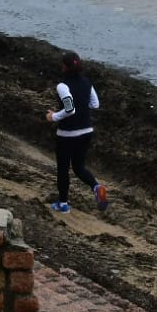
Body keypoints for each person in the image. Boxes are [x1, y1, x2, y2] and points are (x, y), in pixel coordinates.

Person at [45, 51, 108, 214]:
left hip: (67, 134)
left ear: (64, 66)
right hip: (86, 131)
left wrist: (53, 116)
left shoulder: (62, 86)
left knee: (63, 169)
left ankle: (63, 204)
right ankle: (97, 187)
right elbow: (95, 104)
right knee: (79, 167)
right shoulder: (87, 82)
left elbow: (70, 109)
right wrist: (81, 106)